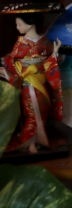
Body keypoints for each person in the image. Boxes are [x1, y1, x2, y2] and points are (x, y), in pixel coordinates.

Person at [1, 12, 63, 154]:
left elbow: (50, 63)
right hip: (27, 83)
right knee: (31, 113)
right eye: (17, 24)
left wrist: (55, 53)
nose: (17, 27)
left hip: (43, 84)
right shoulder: (20, 43)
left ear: (30, 24)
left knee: (42, 113)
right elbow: (11, 61)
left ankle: (39, 140)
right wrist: (8, 71)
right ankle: (30, 142)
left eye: (20, 24)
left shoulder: (45, 42)